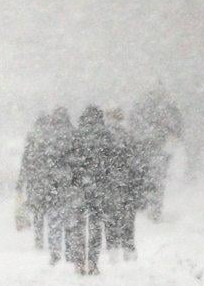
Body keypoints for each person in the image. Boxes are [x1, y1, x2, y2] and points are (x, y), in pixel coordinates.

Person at [65, 106, 116, 275]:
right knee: (95, 225)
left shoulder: (76, 135)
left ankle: (79, 261)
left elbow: (69, 160)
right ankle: (92, 261)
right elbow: (113, 161)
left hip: (79, 186)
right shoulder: (106, 135)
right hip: (99, 186)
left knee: (78, 224)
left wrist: (74, 179)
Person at [129, 85, 184, 222]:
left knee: (148, 179)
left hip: (147, 149)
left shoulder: (141, 110)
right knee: (157, 180)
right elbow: (176, 128)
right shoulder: (167, 109)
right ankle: (154, 209)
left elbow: (133, 126)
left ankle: (149, 207)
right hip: (159, 150)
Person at [103, 107, 147, 261]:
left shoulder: (104, 137)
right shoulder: (129, 136)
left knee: (110, 217)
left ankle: (113, 248)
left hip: (109, 184)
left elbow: (100, 163)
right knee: (127, 218)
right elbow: (137, 164)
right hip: (128, 185)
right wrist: (139, 185)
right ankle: (128, 248)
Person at [41, 107, 75, 265]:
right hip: (71, 184)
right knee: (69, 220)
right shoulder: (74, 134)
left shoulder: (49, 136)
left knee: (54, 220)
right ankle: (69, 251)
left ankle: (55, 251)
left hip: (54, 184)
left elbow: (45, 161)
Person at [16, 113, 51, 249]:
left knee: (38, 213)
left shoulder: (32, 139)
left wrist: (21, 182)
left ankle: (39, 239)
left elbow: (25, 162)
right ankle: (53, 237)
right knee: (51, 211)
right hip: (48, 181)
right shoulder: (51, 139)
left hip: (34, 181)